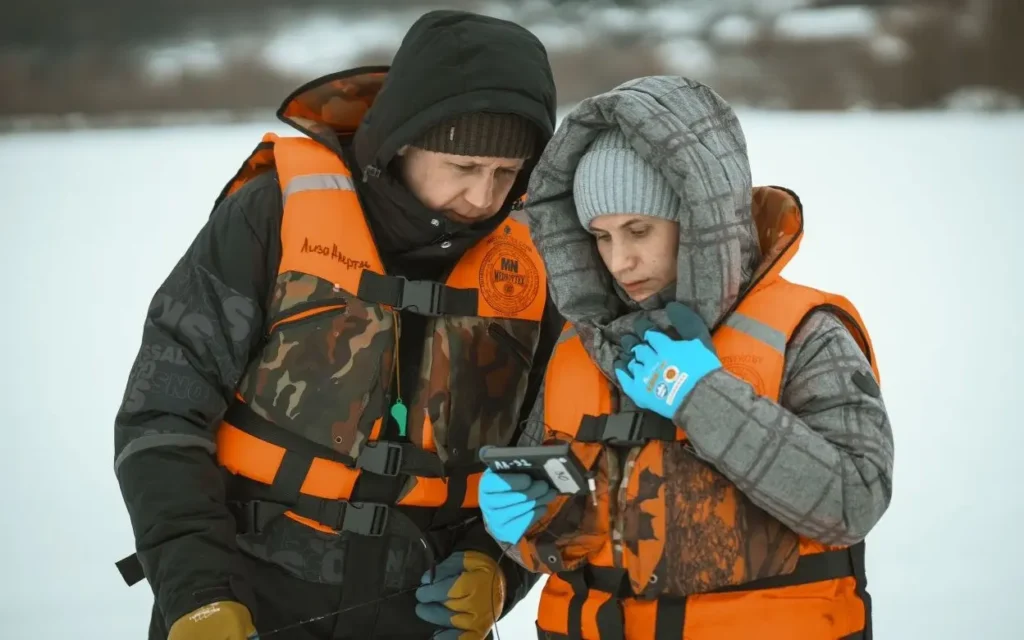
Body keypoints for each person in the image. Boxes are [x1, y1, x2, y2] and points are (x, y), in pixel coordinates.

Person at [112, 9, 563, 640]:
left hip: (430, 614)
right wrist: (197, 594)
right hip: (244, 601)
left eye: (505, 174)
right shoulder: (269, 217)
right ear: (404, 140)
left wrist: (500, 569)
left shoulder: (538, 260)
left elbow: (553, 448)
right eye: (463, 169)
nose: (484, 198)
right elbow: (161, 415)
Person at [477, 76, 894, 639]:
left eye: (638, 230)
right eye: (600, 237)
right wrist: (525, 524)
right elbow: (573, 540)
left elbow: (854, 500)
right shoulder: (580, 351)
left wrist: (703, 397)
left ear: (698, 221)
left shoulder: (805, 333)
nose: (620, 260)